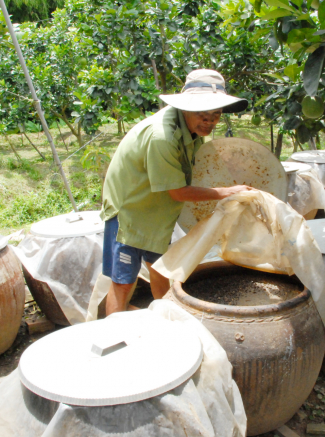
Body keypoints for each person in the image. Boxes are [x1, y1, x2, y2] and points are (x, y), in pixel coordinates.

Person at [100, 69, 252, 315]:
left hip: (157, 212)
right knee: (123, 281)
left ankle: (168, 318)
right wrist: (226, 192)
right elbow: (178, 192)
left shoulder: (191, 132)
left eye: (216, 115)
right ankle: (116, 338)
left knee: (160, 269)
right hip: (129, 212)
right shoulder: (163, 136)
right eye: (203, 114)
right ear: (186, 109)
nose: (210, 121)